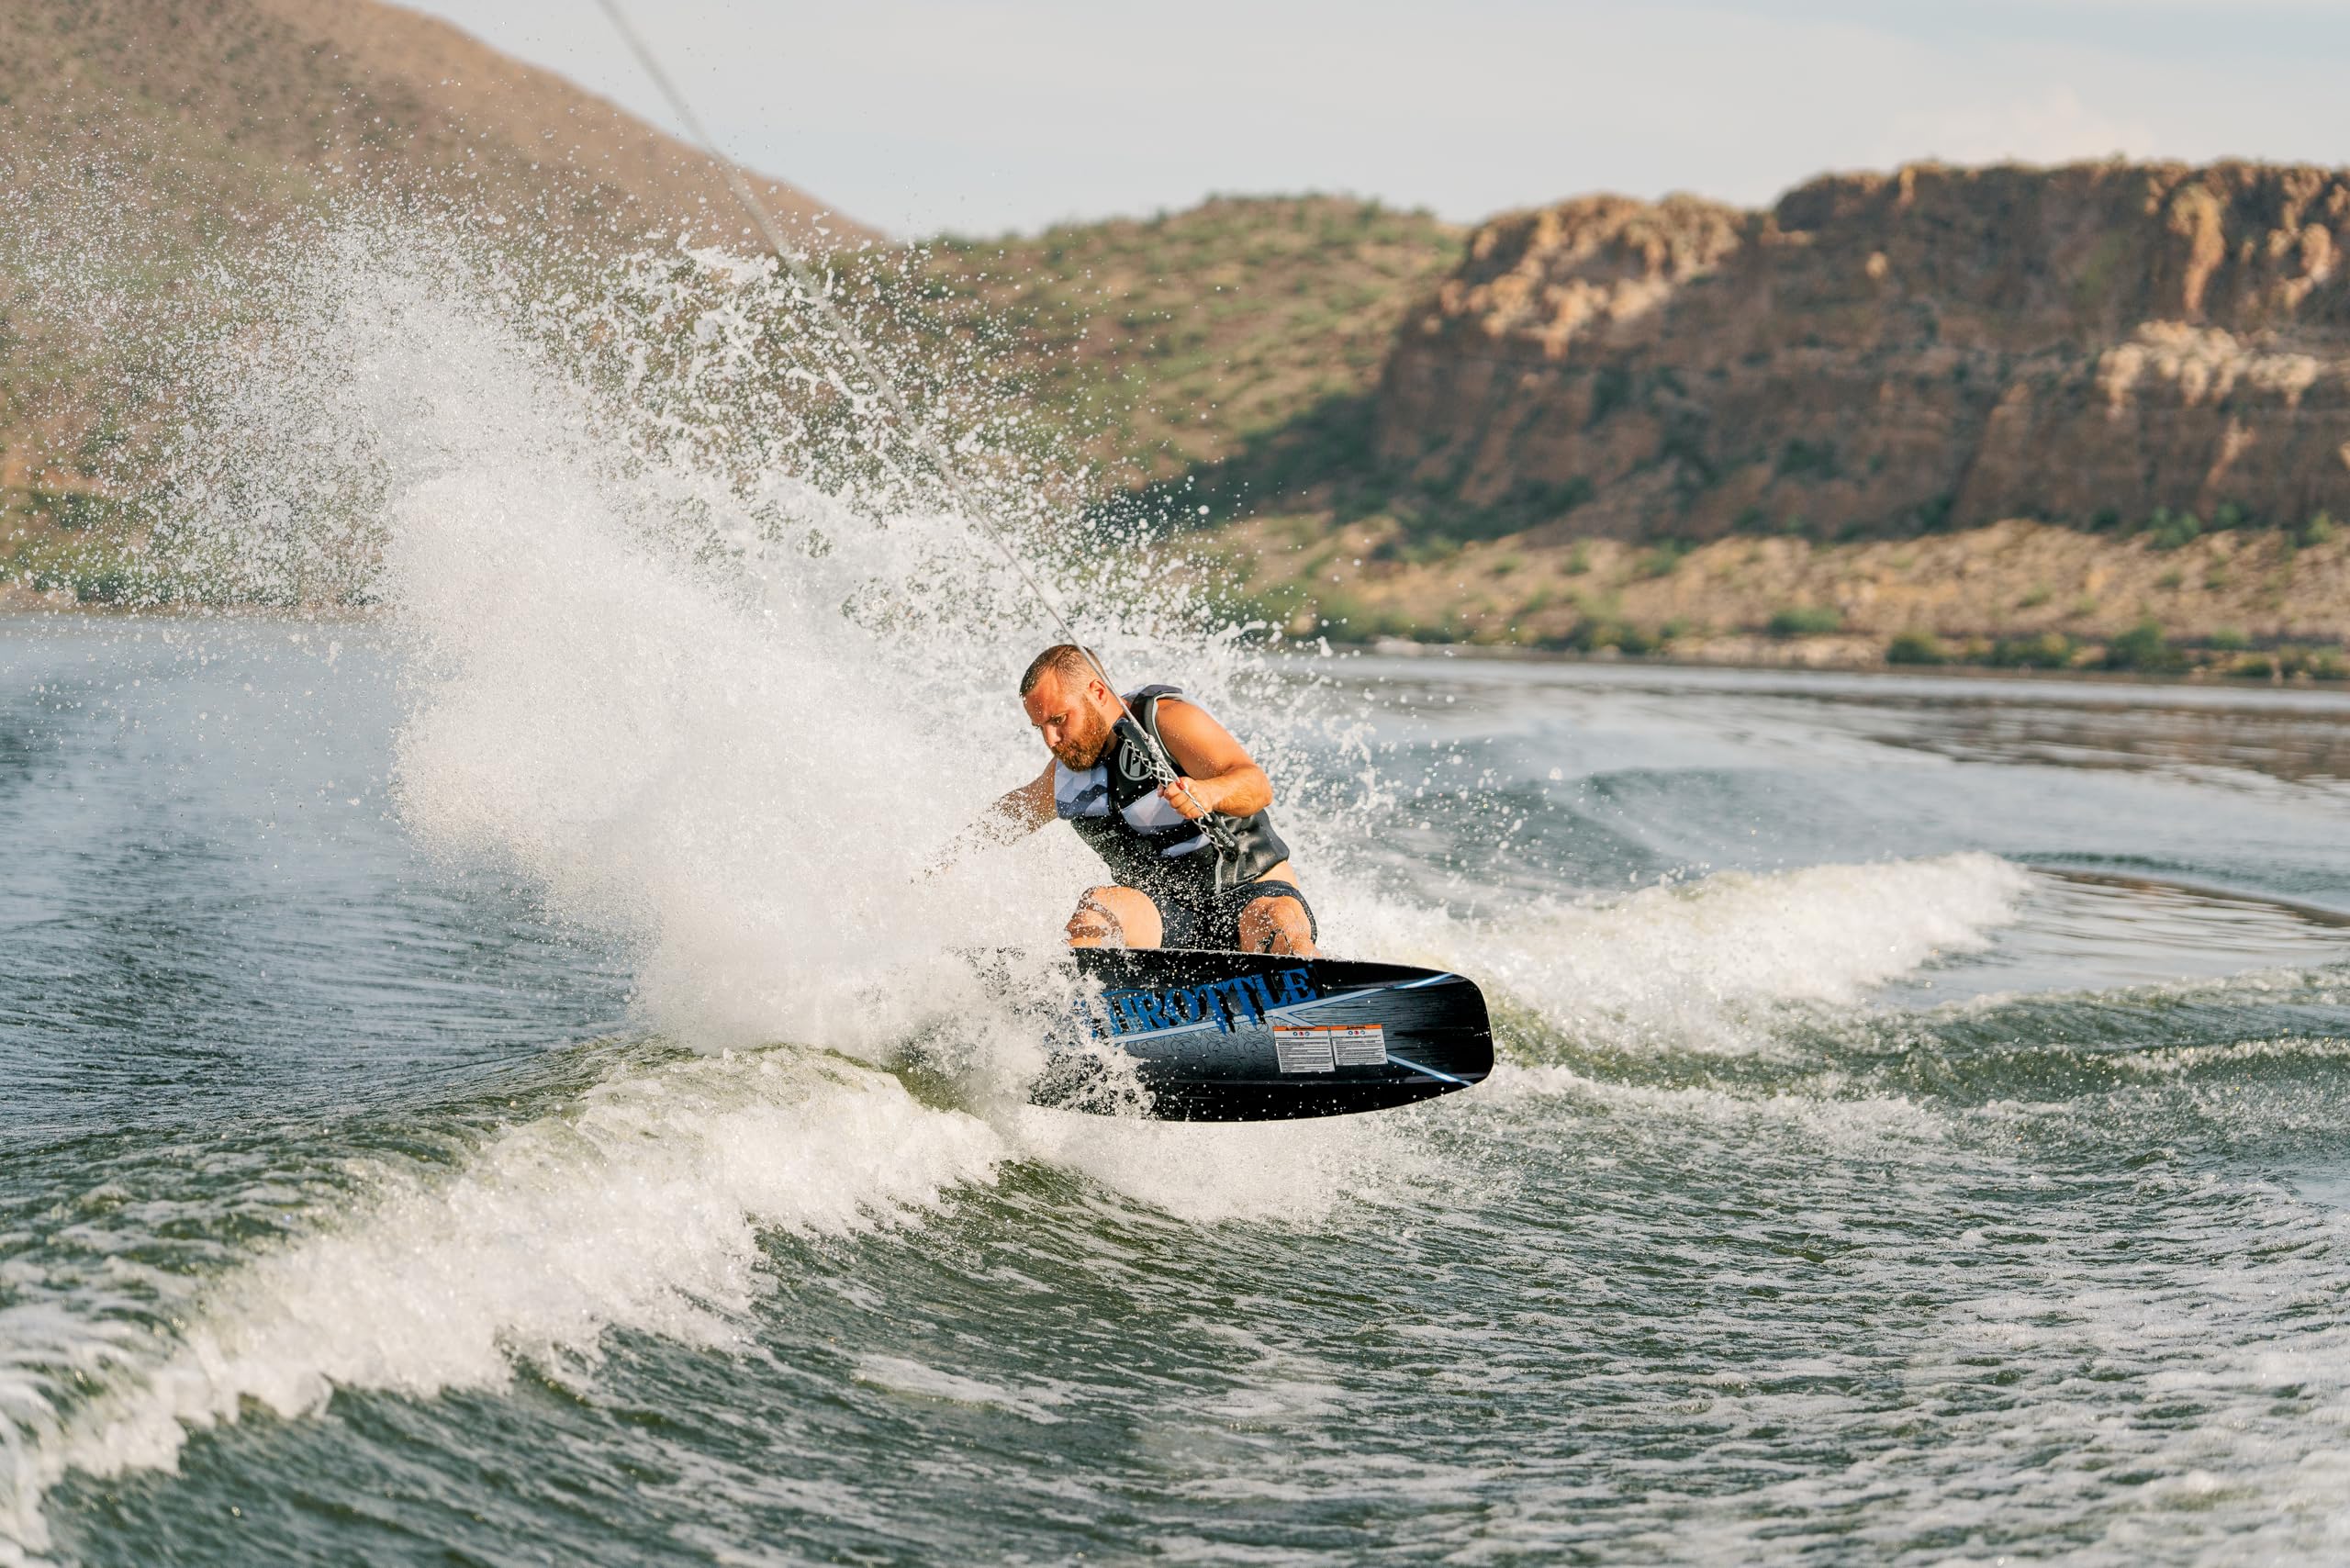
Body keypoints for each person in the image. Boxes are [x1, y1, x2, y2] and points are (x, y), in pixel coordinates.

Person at [946, 644, 1318, 955]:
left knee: (1275, 921)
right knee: (1097, 910)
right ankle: (1084, 1009)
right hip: (1167, 917)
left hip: (1249, 893)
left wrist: (1208, 792)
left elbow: (1256, 785)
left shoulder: (1167, 721)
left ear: (1098, 692)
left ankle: (1316, 995)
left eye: (1058, 719)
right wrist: (941, 865)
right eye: (1040, 727)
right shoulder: (1064, 778)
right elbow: (1008, 817)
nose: (1050, 740)